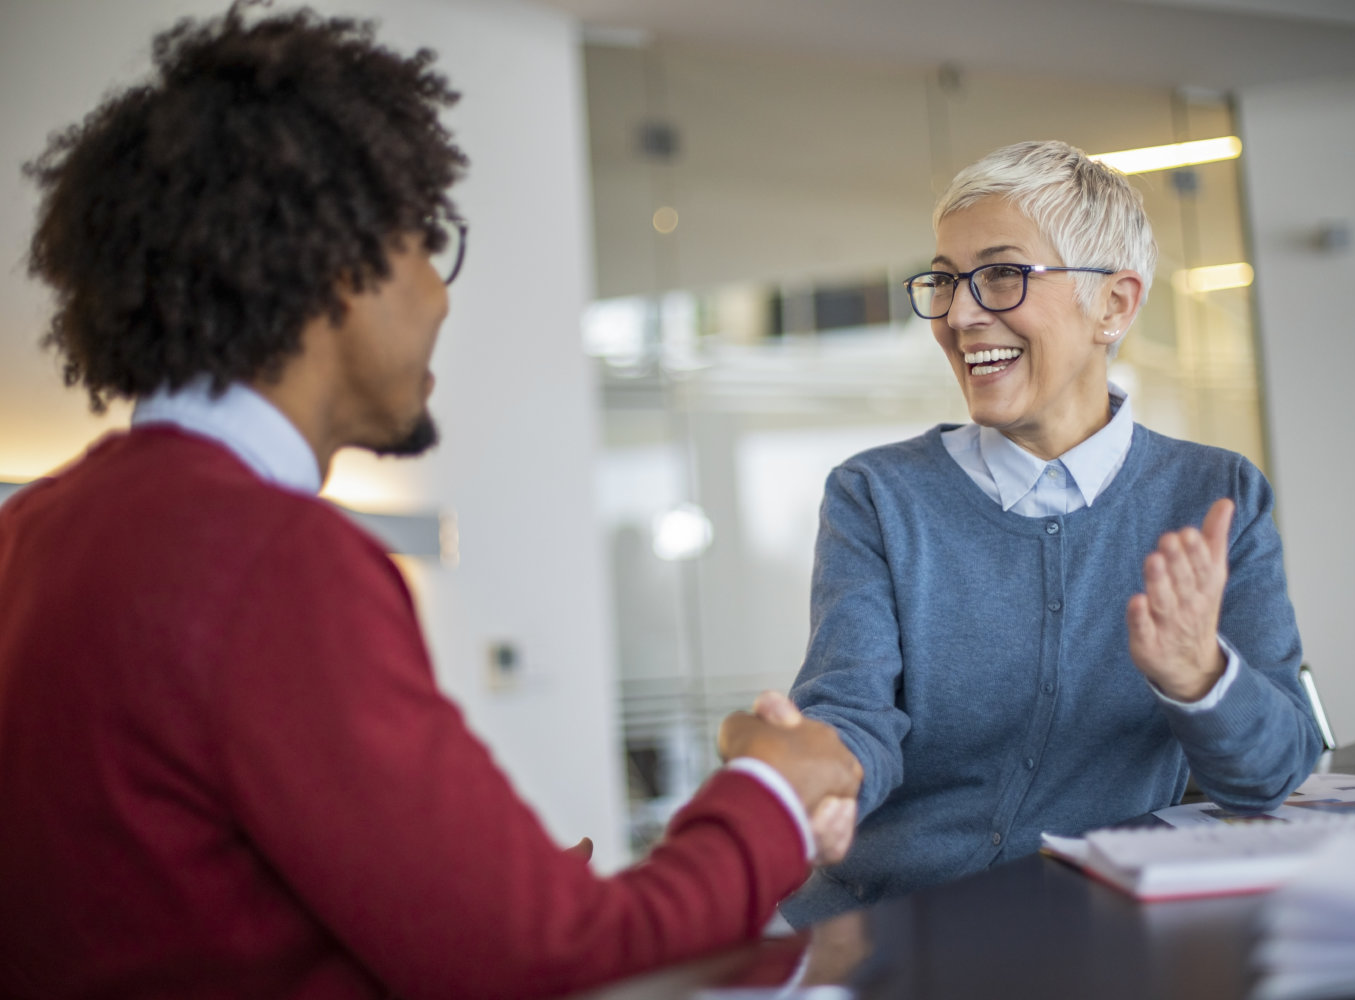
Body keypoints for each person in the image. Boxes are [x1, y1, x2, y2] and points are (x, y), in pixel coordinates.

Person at [0, 6, 860, 999]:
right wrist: (772, 792)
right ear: (338, 261)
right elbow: (551, 959)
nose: (443, 295)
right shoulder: (277, 559)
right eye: (424, 240)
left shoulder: (33, 533)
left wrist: (502, 893)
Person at [778, 139, 1323, 926]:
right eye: (946, 281)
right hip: (882, 927)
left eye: (1001, 275)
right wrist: (807, 772)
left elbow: (1272, 776)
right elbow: (852, 715)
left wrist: (1199, 676)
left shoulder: (1216, 494)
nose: (962, 315)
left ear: (1115, 304)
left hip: (1094, 937)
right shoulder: (877, 495)